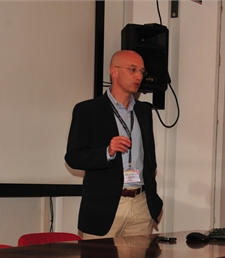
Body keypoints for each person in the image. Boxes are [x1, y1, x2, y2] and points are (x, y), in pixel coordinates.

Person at [65, 50, 163, 238]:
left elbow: (150, 160)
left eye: (142, 72)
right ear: (114, 72)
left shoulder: (144, 111)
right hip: (104, 208)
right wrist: (107, 151)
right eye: (132, 70)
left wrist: (153, 201)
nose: (139, 76)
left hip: (141, 205)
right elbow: (73, 157)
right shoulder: (88, 110)